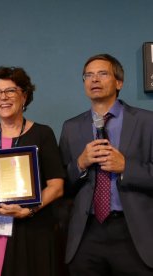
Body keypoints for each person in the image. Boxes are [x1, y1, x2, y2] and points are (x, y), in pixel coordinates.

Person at [59, 53, 153, 275]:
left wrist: (126, 167)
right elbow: (61, 182)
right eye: (88, 75)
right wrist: (80, 164)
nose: (94, 79)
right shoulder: (71, 127)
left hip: (133, 232)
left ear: (118, 82)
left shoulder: (147, 122)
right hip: (86, 232)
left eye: (102, 73)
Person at [0, 66, 65, 276]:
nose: (3, 97)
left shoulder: (42, 134)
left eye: (10, 91)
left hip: (31, 228)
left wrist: (28, 210)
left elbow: (57, 187)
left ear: (24, 95)